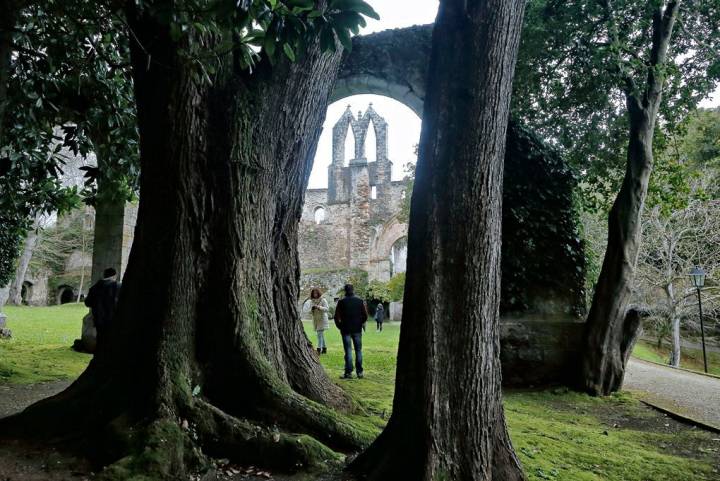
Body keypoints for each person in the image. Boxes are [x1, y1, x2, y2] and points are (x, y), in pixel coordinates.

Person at [334, 284, 368, 379]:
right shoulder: (360, 301)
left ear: (345, 290)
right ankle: (359, 372)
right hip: (357, 329)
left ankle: (348, 373)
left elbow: (336, 316)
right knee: (358, 350)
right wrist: (360, 323)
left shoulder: (341, 302)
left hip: (345, 329)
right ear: (353, 290)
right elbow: (365, 315)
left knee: (348, 351)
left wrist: (340, 326)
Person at [84, 267, 121, 351]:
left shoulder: (94, 287)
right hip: (114, 319)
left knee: (101, 340)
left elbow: (88, 303)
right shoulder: (118, 286)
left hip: (99, 319)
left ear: (103, 275)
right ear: (114, 276)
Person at [310, 288, 330, 355]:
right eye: (313, 293)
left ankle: (318, 350)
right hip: (315, 320)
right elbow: (309, 311)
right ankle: (324, 348)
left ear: (318, 293)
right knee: (321, 335)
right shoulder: (311, 301)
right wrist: (312, 309)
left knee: (319, 335)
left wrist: (319, 307)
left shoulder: (323, 300)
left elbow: (327, 309)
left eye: (316, 293)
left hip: (322, 320)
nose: (315, 294)